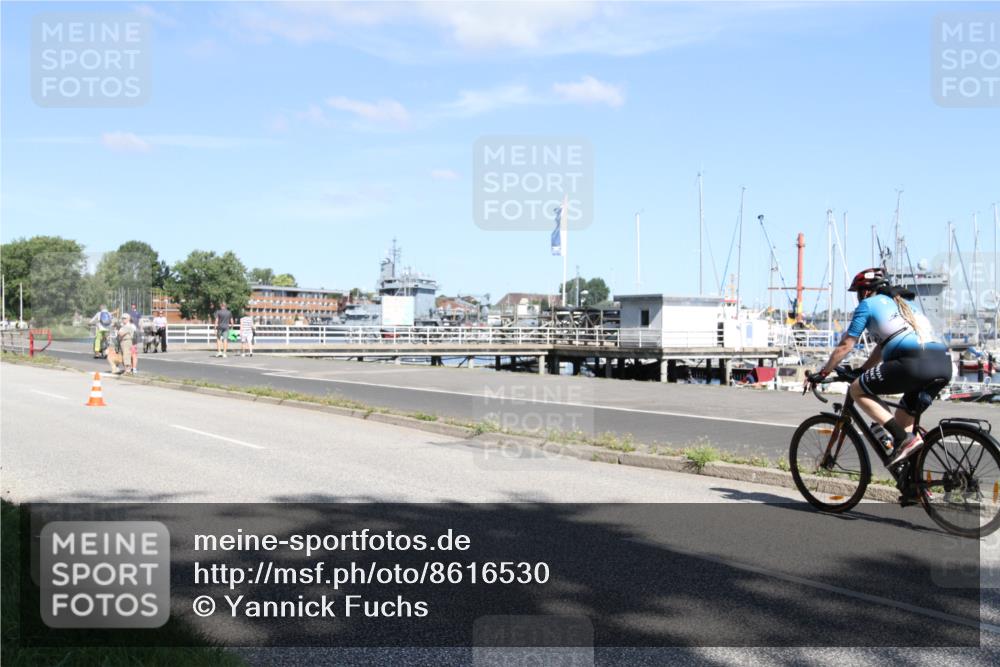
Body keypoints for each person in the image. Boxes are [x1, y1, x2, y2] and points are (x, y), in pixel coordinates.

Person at [807, 268, 952, 470]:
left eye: (858, 292)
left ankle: (904, 440)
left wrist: (823, 372)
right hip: (943, 364)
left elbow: (846, 344)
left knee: (856, 389)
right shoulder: (905, 304)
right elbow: (882, 346)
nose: (858, 297)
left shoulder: (868, 304)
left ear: (865, 291)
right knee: (903, 422)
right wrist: (863, 370)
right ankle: (915, 484)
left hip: (914, 363)